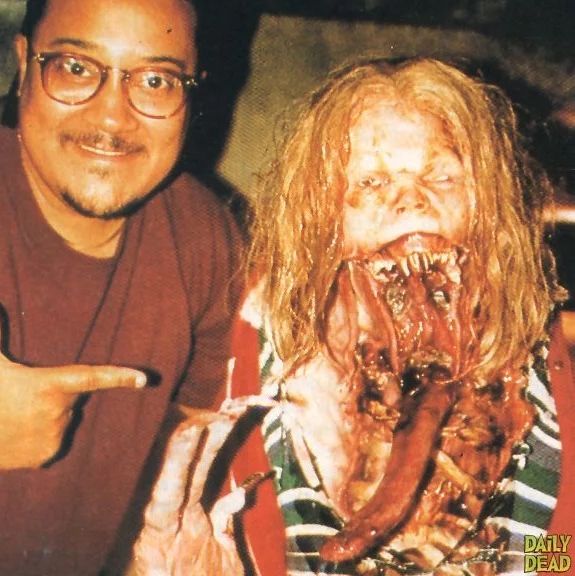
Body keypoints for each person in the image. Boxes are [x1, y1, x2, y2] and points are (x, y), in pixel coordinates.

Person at [134, 57, 575, 575]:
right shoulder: (254, 351)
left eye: (441, 175)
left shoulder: (550, 356)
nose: (411, 200)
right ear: (322, 213)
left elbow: (558, 550)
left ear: (487, 202)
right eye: (370, 182)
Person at [0, 0, 243, 576]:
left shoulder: (208, 238)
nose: (112, 117)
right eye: (75, 68)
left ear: (192, 96)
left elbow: (192, 444)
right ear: (24, 65)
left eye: (155, 81)